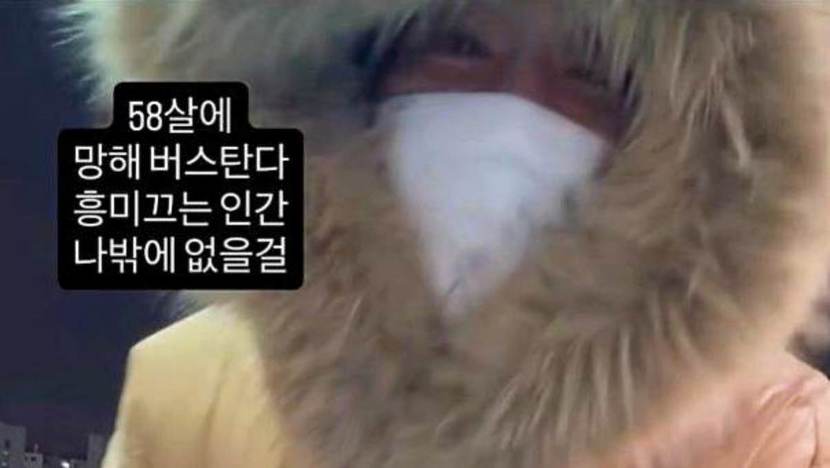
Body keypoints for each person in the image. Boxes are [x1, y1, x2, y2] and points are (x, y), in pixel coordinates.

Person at [66, 1, 830, 466]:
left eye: (589, 75)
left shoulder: (777, 424)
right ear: (353, 79)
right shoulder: (183, 384)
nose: (519, 104)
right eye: (461, 47)